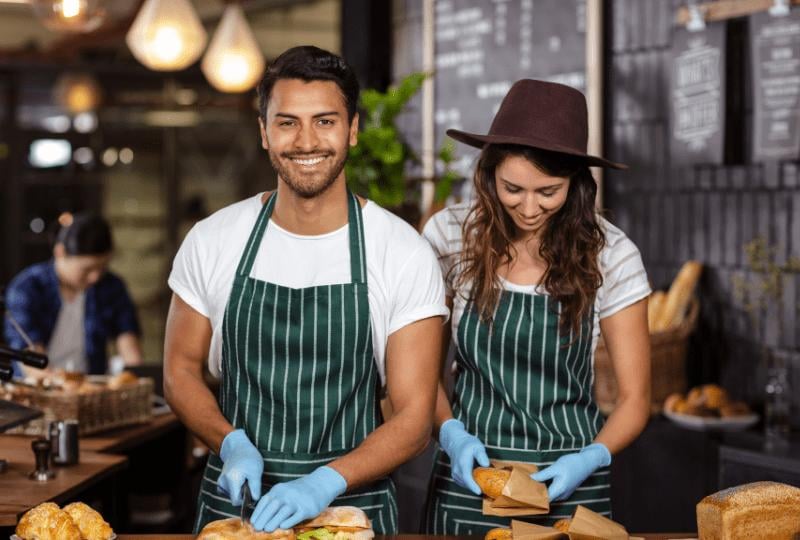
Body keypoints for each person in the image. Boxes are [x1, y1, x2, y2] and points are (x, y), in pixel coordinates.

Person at [164, 46, 448, 534]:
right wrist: (230, 442)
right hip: (237, 511)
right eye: (287, 122)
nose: (306, 140)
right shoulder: (214, 239)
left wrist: (324, 482)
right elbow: (179, 372)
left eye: (325, 121)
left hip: (352, 513)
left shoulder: (400, 251)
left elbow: (415, 417)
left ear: (353, 129)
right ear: (264, 132)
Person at [422, 79, 651, 532]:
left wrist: (592, 457)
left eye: (549, 191)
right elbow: (421, 373)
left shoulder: (612, 255)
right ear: (488, 175)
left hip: (570, 493)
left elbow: (636, 399)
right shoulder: (449, 238)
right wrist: (450, 432)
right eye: (512, 189)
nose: (528, 208)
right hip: (470, 484)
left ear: (578, 184)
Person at [3, 212, 142, 376]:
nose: (95, 277)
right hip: (37, 388)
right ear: (60, 252)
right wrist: (61, 388)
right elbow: (30, 357)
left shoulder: (111, 286)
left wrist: (136, 378)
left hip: (90, 387)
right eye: (87, 269)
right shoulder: (28, 288)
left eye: (102, 267)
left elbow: (129, 344)